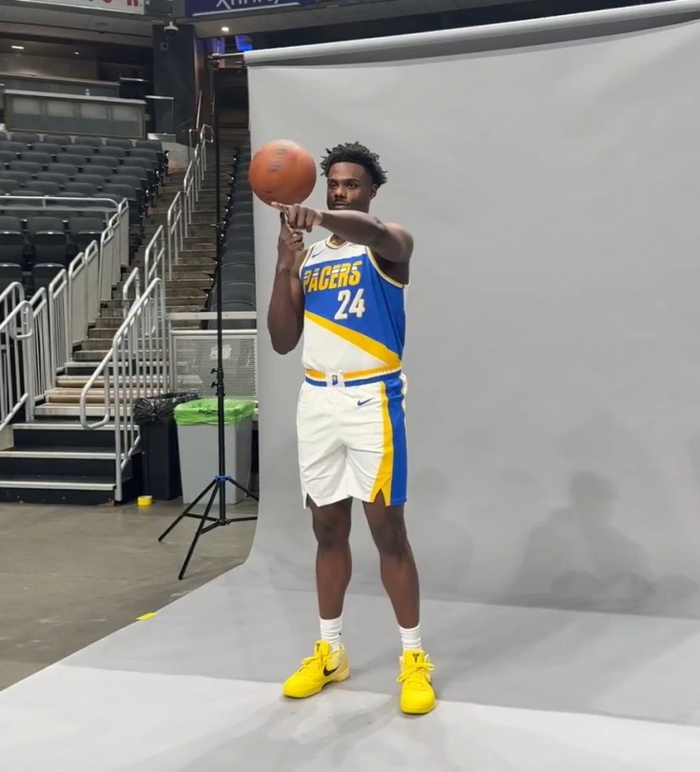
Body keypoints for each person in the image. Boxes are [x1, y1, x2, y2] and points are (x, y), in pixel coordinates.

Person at [266, 141, 435, 716]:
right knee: (326, 529)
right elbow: (282, 340)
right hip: (317, 399)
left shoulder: (390, 243)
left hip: (372, 399)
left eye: (351, 185)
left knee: (388, 531)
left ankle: (413, 657)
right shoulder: (312, 256)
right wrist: (285, 263)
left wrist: (320, 216)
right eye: (332, 184)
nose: (339, 192)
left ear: (371, 191)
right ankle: (330, 652)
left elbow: (374, 232)